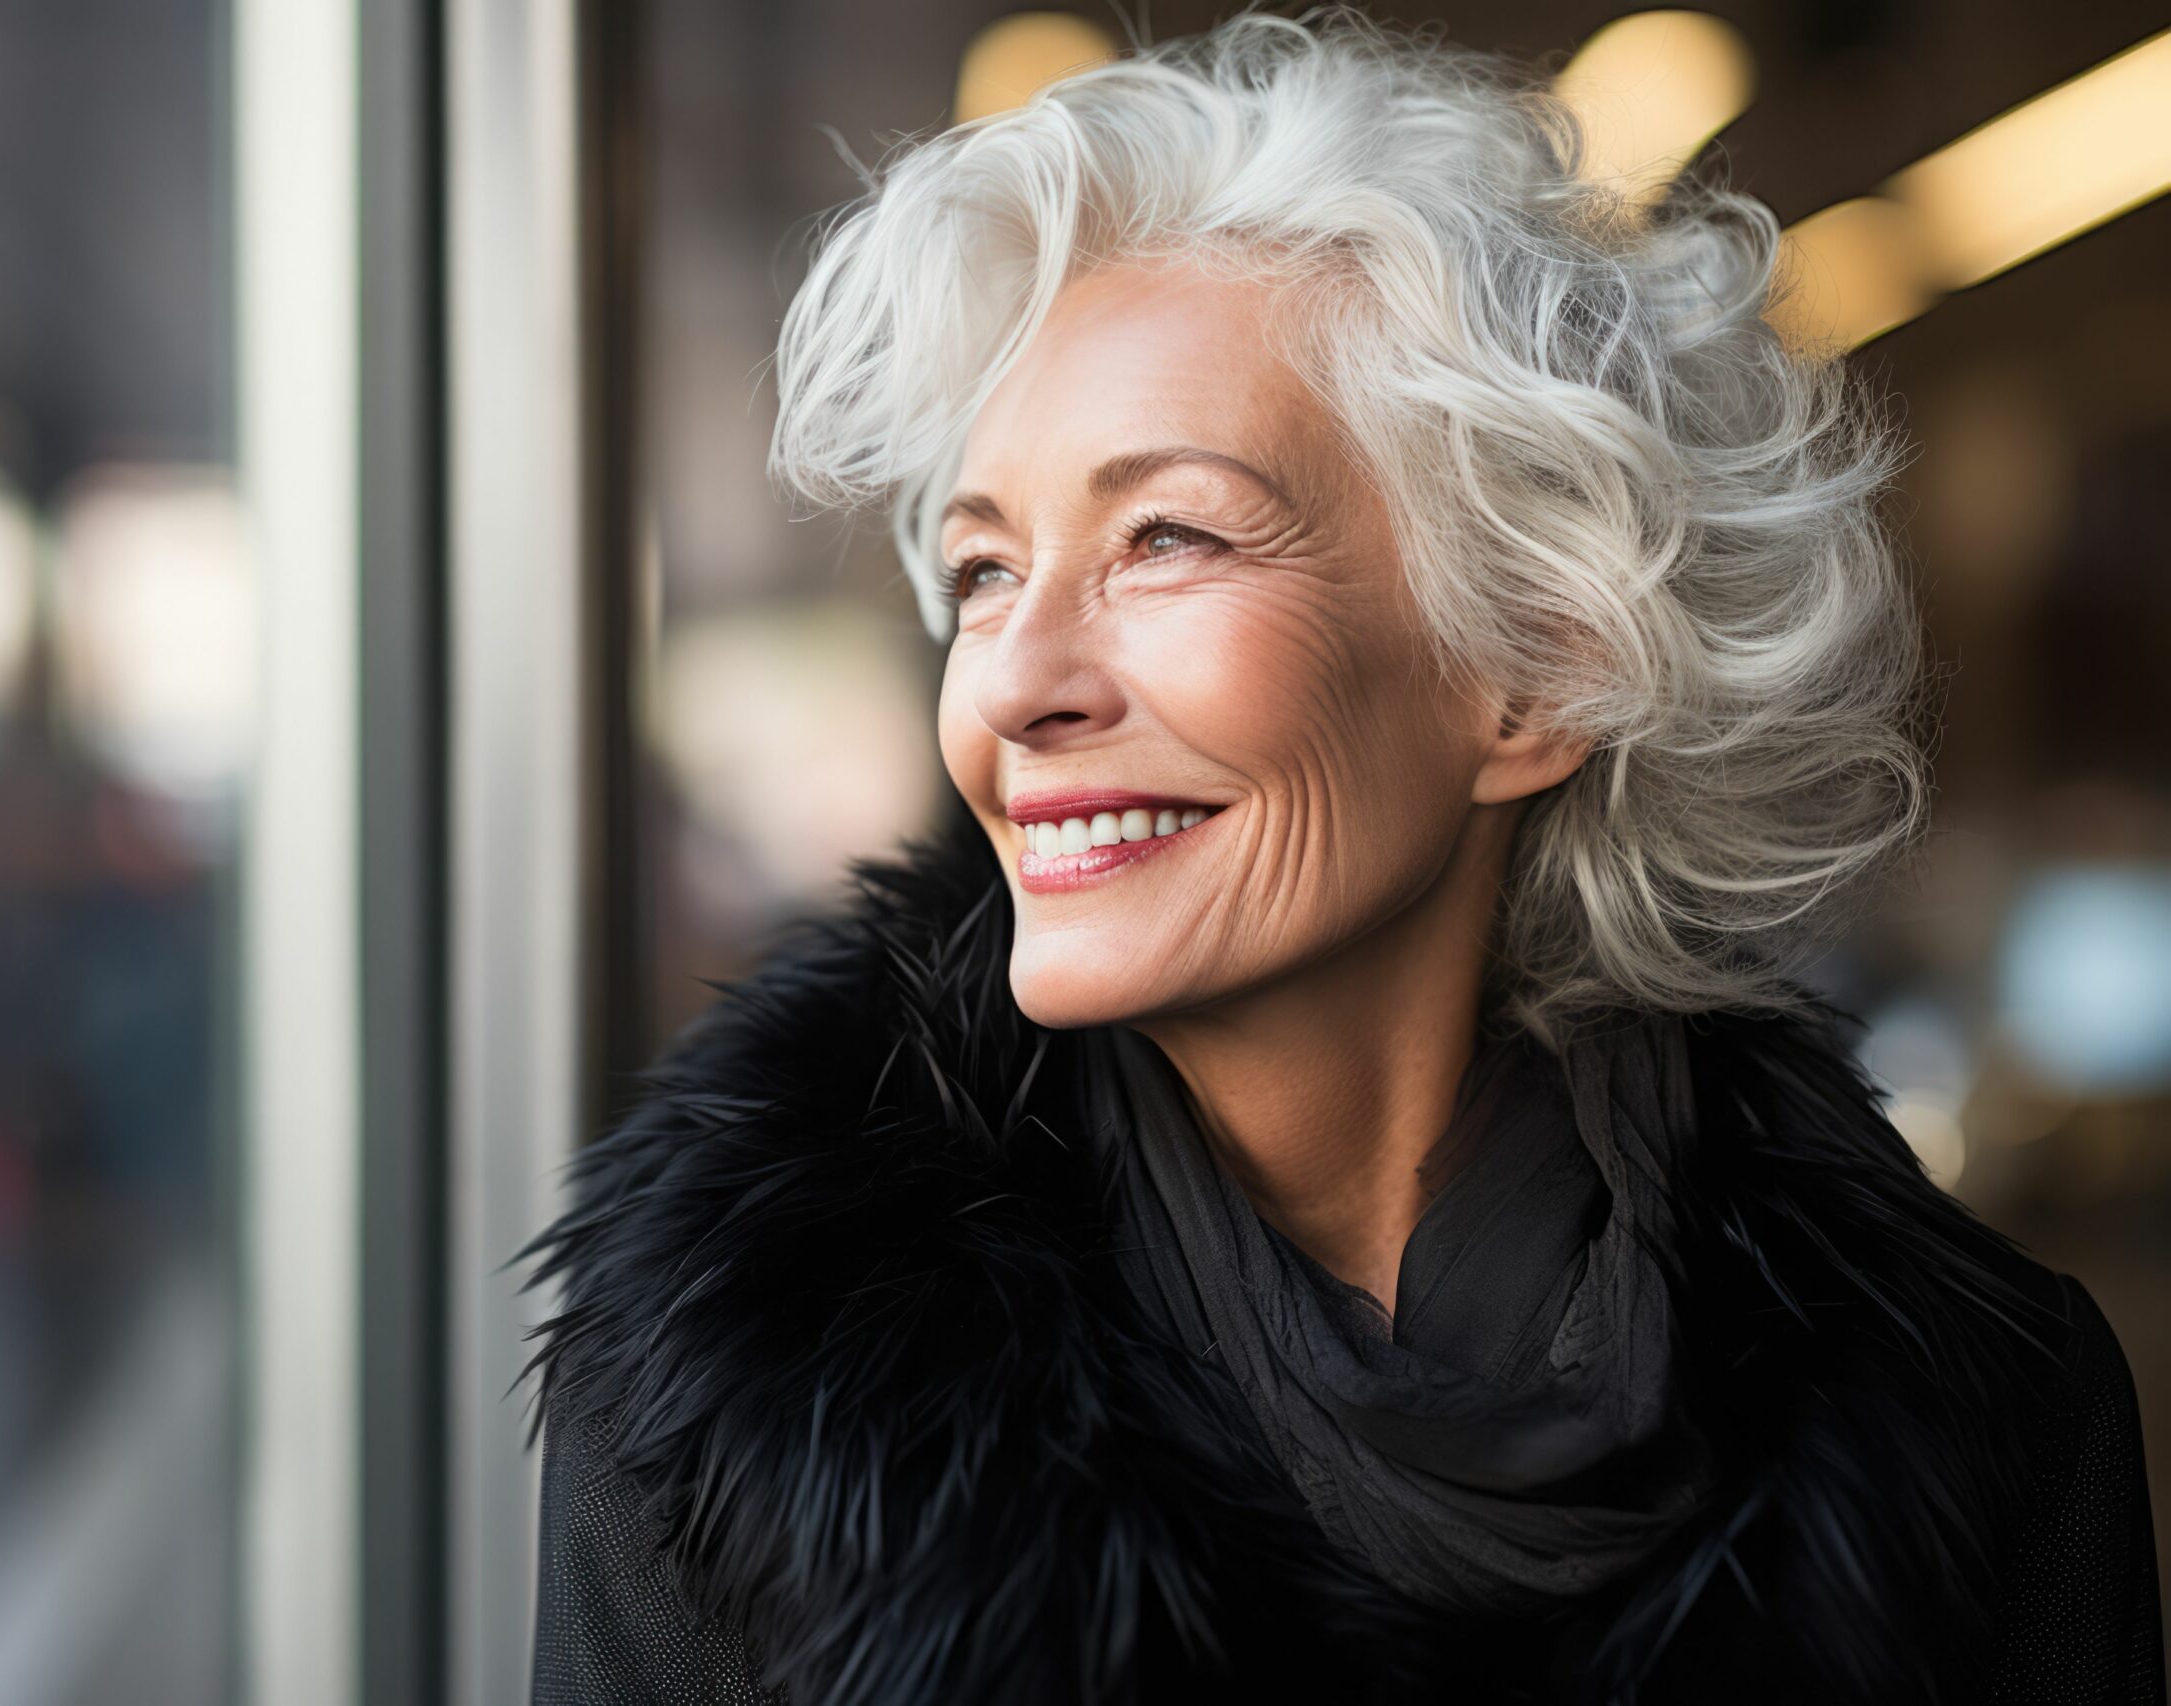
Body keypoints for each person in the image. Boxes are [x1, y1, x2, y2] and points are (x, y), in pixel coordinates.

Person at [515, 10, 2163, 1701]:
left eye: (1167, 535)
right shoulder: (733, 1404)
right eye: (987, 567)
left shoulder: (1984, 1415)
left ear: (1541, 666)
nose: (1010, 679)